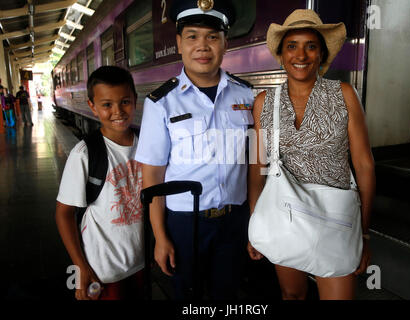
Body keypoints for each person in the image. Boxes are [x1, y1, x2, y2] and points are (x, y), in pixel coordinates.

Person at [247, 9, 376, 300]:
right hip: (284, 216)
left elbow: (364, 166)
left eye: (311, 46)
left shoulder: (344, 94)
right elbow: (258, 165)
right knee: (291, 295)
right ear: (281, 54)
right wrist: (255, 222)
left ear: (321, 54)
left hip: (336, 220)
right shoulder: (263, 102)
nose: (300, 55)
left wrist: (364, 233)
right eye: (291, 46)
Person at [135, 0, 254, 300]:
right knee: (187, 297)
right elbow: (152, 176)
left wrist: (256, 221)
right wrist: (160, 237)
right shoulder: (161, 102)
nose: (203, 46)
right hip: (184, 224)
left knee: (227, 296)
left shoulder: (247, 95)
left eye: (212, 37)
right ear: (178, 43)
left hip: (234, 221)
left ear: (226, 43)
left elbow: (255, 164)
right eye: (192, 36)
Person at [55, 66, 144, 300]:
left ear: (135, 100)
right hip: (101, 269)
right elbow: (64, 214)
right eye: (107, 105)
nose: (118, 111)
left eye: (125, 102)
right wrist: (80, 267)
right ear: (92, 106)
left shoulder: (148, 146)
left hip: (141, 262)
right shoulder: (84, 153)